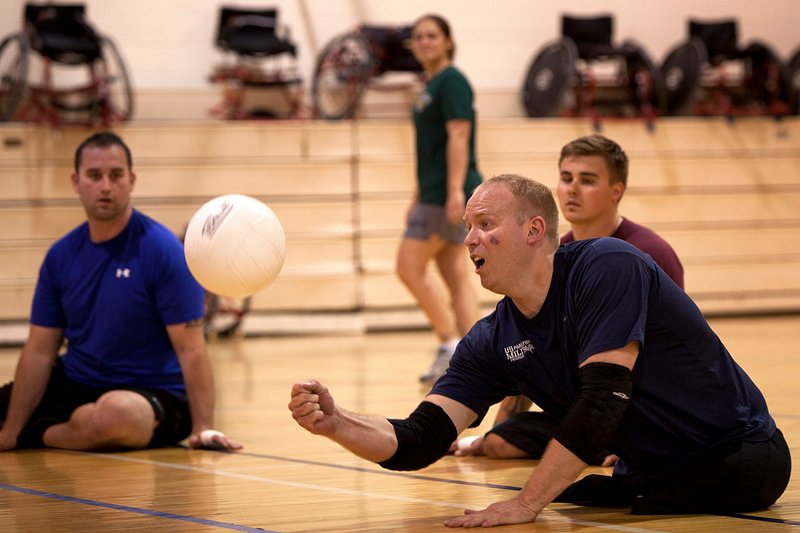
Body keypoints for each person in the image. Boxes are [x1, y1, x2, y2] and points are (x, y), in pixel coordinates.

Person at [290, 174, 790, 527]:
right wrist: (338, 424)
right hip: (652, 472)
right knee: (588, 495)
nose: (469, 239)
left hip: (738, 458)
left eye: (485, 223)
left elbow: (603, 401)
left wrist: (527, 503)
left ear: (534, 231)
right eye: (468, 226)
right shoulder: (490, 338)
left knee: (580, 496)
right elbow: (422, 438)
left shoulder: (607, 266)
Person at [0, 132, 241, 453]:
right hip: (78, 383)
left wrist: (203, 428)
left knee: (116, 415)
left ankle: (41, 434)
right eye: (94, 175)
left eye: (115, 175)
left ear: (131, 180)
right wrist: (10, 430)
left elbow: (192, 350)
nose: (105, 186)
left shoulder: (164, 252)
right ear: (76, 181)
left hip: (152, 395)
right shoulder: (61, 256)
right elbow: (40, 351)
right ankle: (53, 428)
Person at [456, 134, 685, 460]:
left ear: (616, 191)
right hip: (580, 403)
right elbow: (526, 345)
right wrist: (495, 432)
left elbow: (673, 353)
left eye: (587, 180)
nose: (572, 189)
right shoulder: (551, 254)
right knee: (500, 443)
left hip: (637, 404)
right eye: (566, 178)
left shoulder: (647, 253)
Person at [396, 14, 483, 384]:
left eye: (432, 35)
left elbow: (459, 136)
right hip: (434, 191)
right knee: (454, 274)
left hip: (448, 192)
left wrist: (454, 192)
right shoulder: (432, 84)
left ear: (448, 41)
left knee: (408, 267)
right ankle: (479, 354)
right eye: (418, 37)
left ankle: (449, 345)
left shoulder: (452, 81)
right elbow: (429, 148)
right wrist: (419, 193)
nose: (425, 41)